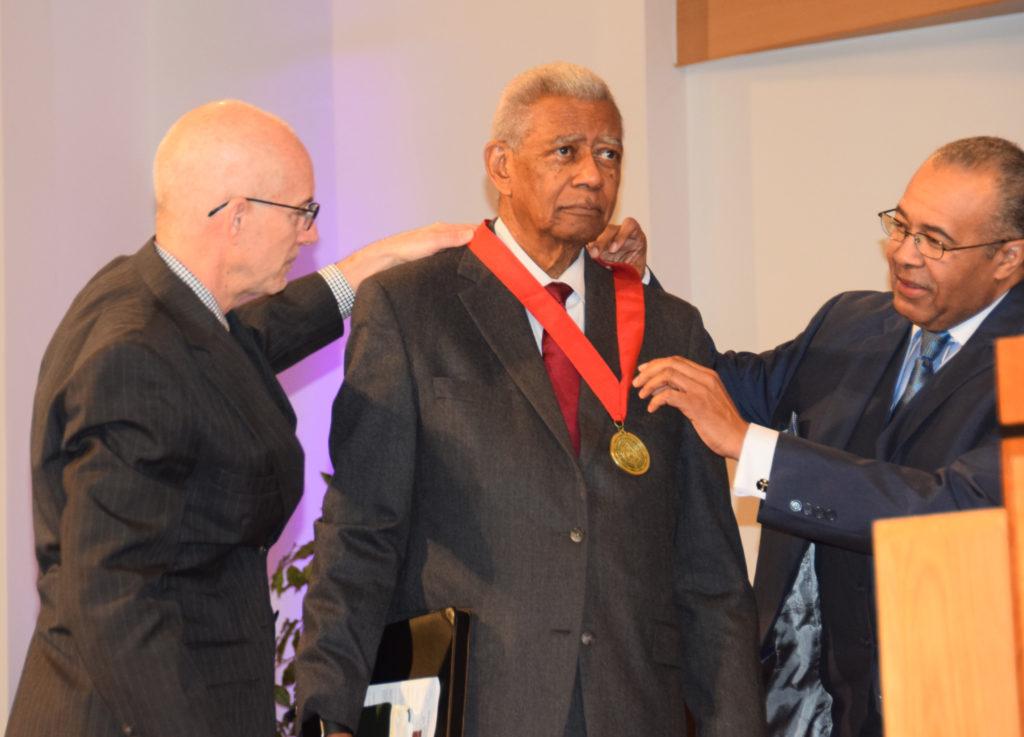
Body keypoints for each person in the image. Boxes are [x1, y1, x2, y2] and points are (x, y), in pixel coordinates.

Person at [295, 62, 766, 737]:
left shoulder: (667, 325)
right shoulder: (410, 308)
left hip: (631, 705)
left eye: (609, 154)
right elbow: (361, 531)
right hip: (474, 705)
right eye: (565, 151)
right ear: (501, 164)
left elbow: (709, 570)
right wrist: (328, 710)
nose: (592, 175)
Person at [5, 99, 477, 737]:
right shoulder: (135, 354)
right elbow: (114, 599)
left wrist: (374, 265)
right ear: (237, 216)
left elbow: (242, 343)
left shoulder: (152, 297)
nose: (309, 235)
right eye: (302, 213)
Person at [633, 135, 1024, 736]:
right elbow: (720, 385)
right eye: (900, 224)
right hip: (804, 700)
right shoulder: (850, 321)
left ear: (1007, 258)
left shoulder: (1017, 369)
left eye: (935, 241)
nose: (903, 254)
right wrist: (637, 291)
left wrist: (751, 447)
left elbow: (950, 507)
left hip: (948, 700)